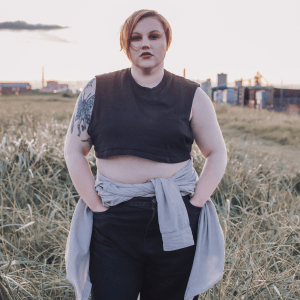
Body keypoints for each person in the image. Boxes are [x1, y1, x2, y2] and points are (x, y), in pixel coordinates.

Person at [64, 9, 227, 300]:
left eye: (154, 36)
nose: (144, 44)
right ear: (127, 46)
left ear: (167, 42)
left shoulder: (191, 94)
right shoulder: (97, 89)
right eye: (135, 38)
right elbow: (75, 150)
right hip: (114, 219)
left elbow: (216, 153)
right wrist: (96, 206)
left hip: (175, 217)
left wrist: (196, 203)